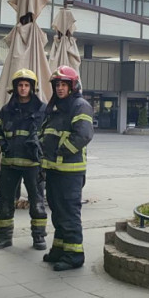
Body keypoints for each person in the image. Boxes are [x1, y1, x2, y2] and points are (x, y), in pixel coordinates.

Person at [40, 66, 94, 271]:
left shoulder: (80, 105)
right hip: (54, 170)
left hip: (70, 171)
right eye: (57, 85)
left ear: (73, 86)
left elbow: (83, 135)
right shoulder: (55, 107)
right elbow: (45, 132)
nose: (60, 88)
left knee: (69, 212)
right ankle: (60, 249)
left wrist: (60, 151)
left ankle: (74, 254)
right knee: (58, 211)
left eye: (64, 84)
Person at [0, 69, 47, 252]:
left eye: (26, 85)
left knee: (37, 202)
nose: (23, 88)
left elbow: (49, 133)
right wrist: (2, 143)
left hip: (33, 165)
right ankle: (3, 237)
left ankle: (39, 237)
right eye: (20, 85)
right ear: (15, 87)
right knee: (5, 201)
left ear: (32, 87)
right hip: (9, 164)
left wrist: (39, 145)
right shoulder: (6, 110)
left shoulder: (42, 109)